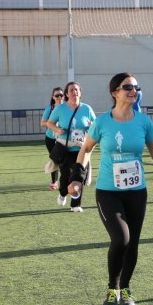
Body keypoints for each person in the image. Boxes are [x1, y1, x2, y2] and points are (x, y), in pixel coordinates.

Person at [67, 73, 153, 305]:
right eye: (127, 87)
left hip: (136, 192)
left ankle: (126, 289)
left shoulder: (143, 122)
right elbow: (86, 150)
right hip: (109, 192)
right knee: (121, 238)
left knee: (133, 243)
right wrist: (77, 179)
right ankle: (113, 289)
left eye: (136, 87)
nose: (133, 90)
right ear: (115, 92)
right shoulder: (102, 122)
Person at [46, 82, 96, 213]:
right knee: (66, 176)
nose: (74, 92)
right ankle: (62, 193)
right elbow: (49, 123)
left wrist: (91, 125)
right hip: (65, 148)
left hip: (82, 149)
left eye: (77, 90)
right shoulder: (60, 109)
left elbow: (95, 126)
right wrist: (57, 129)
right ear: (67, 94)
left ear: (80, 92)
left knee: (79, 176)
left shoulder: (87, 109)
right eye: (71, 90)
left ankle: (75, 204)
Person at [40, 87, 64, 190]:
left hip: (63, 138)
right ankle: (54, 181)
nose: (59, 97)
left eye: (61, 95)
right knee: (55, 159)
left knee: (64, 159)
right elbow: (42, 123)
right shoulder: (50, 109)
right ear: (53, 97)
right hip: (50, 138)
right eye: (57, 95)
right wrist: (53, 125)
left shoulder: (68, 108)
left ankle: (65, 180)